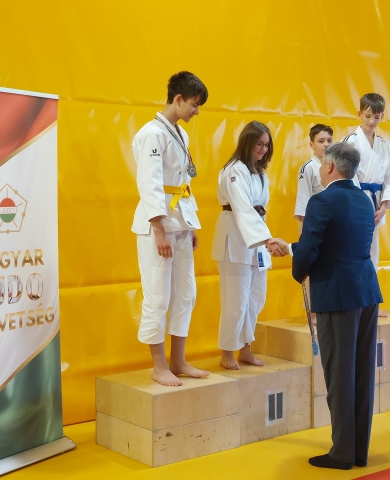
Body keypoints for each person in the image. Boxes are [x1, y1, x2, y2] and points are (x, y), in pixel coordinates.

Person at [273, 143, 382, 470]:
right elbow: (340, 241)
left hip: (337, 293)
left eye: (323, 164)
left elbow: (311, 249)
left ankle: (342, 453)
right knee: (362, 373)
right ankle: (358, 450)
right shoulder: (365, 199)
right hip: (365, 289)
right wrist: (292, 248)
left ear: (331, 167)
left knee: (339, 373)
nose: (321, 169)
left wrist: (297, 269)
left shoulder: (321, 200)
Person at [131, 71, 210, 386]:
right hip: (157, 225)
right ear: (178, 99)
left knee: (186, 293)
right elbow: (149, 184)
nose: (196, 111)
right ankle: (159, 365)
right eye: (194, 104)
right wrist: (159, 229)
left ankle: (178, 360)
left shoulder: (181, 134)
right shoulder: (152, 134)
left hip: (180, 220)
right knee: (158, 295)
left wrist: (189, 225)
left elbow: (184, 183)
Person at [212, 121, 287, 370]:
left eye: (266, 145)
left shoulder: (260, 173)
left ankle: (245, 349)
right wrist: (267, 239)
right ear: (247, 142)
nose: (263, 149)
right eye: (259, 144)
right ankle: (227, 352)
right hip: (234, 236)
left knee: (256, 298)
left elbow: (257, 210)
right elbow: (243, 208)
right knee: (236, 300)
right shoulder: (234, 170)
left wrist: (265, 240)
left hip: (257, 239)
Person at [341, 93, 390, 270]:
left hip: (376, 205)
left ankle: (370, 285)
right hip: (355, 204)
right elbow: (346, 176)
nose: (372, 121)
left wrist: (383, 208)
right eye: (367, 116)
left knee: (373, 252)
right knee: (354, 249)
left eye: (377, 117)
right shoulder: (350, 142)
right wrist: (361, 205)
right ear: (359, 114)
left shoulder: (386, 146)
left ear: (382, 116)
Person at [294, 124, 333, 222]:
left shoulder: (336, 166)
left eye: (329, 141)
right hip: (316, 219)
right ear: (311, 145)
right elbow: (303, 201)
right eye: (321, 141)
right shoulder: (308, 168)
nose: (326, 144)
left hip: (334, 218)